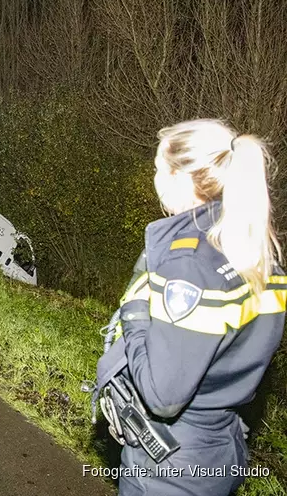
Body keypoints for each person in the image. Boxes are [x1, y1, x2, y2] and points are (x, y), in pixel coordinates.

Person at [96, 119, 285, 495]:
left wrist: (134, 312)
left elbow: (163, 396)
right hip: (220, 448)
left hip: (170, 469)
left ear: (180, 178)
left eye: (157, 169)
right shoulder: (259, 257)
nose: (153, 178)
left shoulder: (190, 267)